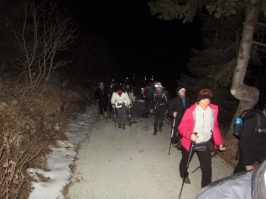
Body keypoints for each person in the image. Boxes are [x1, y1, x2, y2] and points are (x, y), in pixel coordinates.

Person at [178, 88, 225, 187]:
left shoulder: (213, 111)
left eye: (208, 100)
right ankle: (183, 174)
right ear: (198, 100)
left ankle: (206, 187)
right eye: (203, 100)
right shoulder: (191, 111)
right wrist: (190, 135)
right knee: (186, 161)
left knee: (207, 167)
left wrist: (219, 142)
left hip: (204, 142)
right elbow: (181, 127)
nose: (206, 102)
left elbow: (215, 128)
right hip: (191, 142)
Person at [233, 108, 266, 174]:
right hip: (248, 150)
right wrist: (247, 163)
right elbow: (243, 142)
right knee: (240, 172)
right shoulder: (254, 119)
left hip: (262, 150)